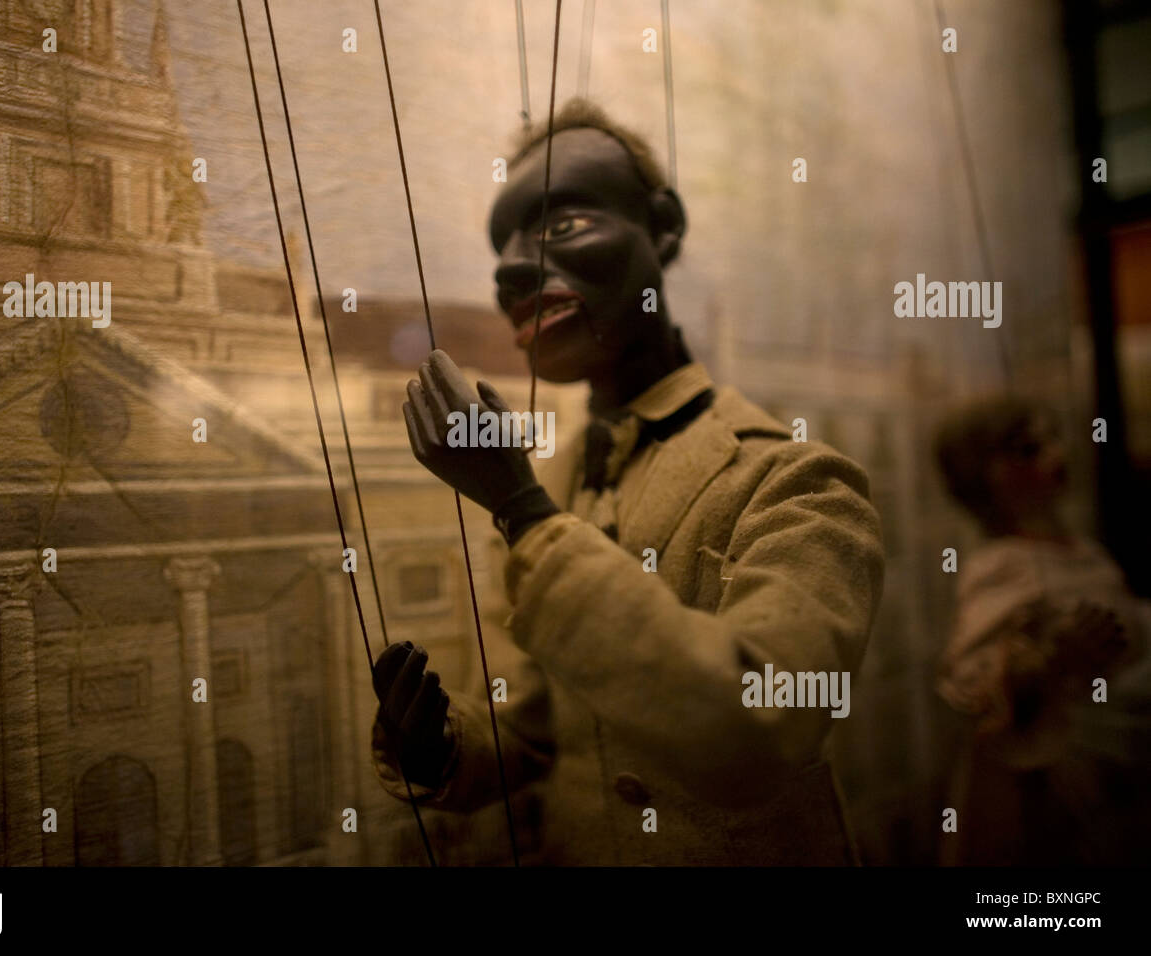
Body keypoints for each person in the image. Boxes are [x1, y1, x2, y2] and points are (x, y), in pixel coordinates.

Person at [370, 99, 885, 865]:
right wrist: (439, 748)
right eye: (503, 248)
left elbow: (760, 728)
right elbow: (536, 732)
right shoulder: (549, 479)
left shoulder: (794, 479)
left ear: (663, 229)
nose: (513, 268)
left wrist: (521, 509)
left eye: (561, 226)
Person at [933, 395, 1149, 865]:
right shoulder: (1004, 565)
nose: (1054, 454)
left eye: (1050, 438)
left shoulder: (1082, 550)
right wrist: (1048, 660)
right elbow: (974, 680)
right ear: (984, 477)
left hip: (1121, 757)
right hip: (1062, 770)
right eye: (1027, 449)